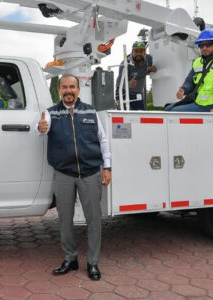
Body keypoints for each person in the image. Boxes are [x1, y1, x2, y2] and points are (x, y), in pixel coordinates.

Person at [37, 75, 111, 281]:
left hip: (90, 173)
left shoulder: (90, 111)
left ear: (78, 89)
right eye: (64, 87)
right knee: (64, 220)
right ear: (59, 90)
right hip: (63, 175)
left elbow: (103, 141)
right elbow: (42, 129)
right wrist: (40, 128)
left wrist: (107, 167)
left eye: (72, 87)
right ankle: (70, 259)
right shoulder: (51, 113)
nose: (68, 91)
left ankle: (93, 263)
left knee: (94, 220)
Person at [164, 29, 213, 121]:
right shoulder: (198, 61)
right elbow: (190, 81)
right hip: (199, 102)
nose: (204, 48)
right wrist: (184, 89)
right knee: (167, 109)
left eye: (208, 44)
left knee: (173, 113)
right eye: (201, 45)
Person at [115, 41, 157, 110]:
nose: (138, 54)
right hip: (123, 91)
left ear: (145, 52)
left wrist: (151, 69)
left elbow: (146, 70)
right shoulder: (125, 64)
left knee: (141, 116)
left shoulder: (149, 59)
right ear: (132, 52)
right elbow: (120, 84)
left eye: (141, 51)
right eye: (136, 51)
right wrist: (129, 84)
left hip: (138, 92)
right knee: (125, 116)